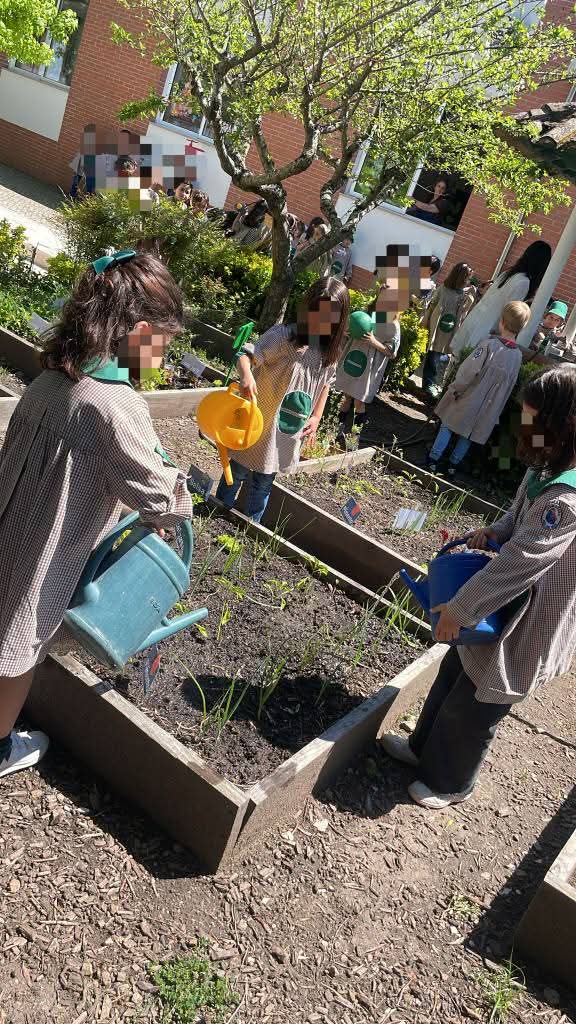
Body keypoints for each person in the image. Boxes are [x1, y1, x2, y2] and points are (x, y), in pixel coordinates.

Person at [0, 251, 193, 779]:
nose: (161, 360)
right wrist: (180, 486)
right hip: (44, 551)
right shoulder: (115, 406)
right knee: (19, 642)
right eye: (163, 346)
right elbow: (160, 500)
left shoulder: (52, 378)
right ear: (141, 334)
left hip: (8, 525)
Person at [381, 364, 576, 809]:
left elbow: (519, 565)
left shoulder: (567, 501)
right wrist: (495, 531)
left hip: (531, 619)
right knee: (456, 670)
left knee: (479, 702)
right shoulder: (546, 468)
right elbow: (516, 518)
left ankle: (451, 782)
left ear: (566, 428)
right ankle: (421, 747)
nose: (525, 428)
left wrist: (460, 608)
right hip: (501, 605)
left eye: (535, 421)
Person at [215, 277, 349, 522]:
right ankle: (217, 511)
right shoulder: (285, 337)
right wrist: (247, 376)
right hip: (259, 423)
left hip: (286, 432)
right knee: (238, 470)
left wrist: (317, 416)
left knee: (263, 483)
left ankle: (250, 525)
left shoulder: (329, 352)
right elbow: (246, 355)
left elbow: (325, 384)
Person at [427, 300, 530, 476]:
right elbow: (510, 385)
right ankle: (452, 466)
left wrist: (456, 389)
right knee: (469, 434)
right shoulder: (517, 356)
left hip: (468, 398)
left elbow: (468, 372)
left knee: (448, 424)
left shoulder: (488, 346)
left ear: (502, 322)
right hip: (490, 407)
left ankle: (433, 460)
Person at [450, 240, 552, 355]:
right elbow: (510, 315)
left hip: (476, 322)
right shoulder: (523, 282)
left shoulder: (509, 273)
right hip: (487, 331)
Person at [335, 279, 402, 446]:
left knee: (359, 401)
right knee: (346, 396)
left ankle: (353, 440)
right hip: (354, 359)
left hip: (369, 368)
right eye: (381, 297)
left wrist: (374, 341)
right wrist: (346, 332)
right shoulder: (368, 313)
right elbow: (352, 330)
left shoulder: (393, 325)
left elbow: (391, 352)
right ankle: (335, 431)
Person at [421, 262, 475, 399]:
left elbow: (463, 312)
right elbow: (432, 305)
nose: (468, 280)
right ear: (461, 277)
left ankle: (432, 385)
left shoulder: (463, 294)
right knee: (433, 354)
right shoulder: (443, 289)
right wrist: (425, 321)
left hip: (449, 331)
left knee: (440, 357)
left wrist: (470, 298)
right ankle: (428, 385)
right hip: (437, 328)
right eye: (467, 277)